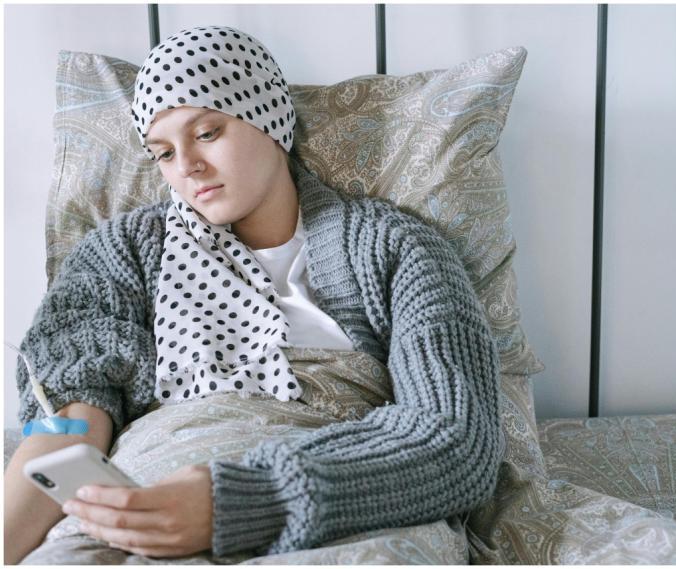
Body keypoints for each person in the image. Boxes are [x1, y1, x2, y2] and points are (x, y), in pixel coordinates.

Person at [4, 25, 504, 563]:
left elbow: (457, 440)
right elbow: (66, 429)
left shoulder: (393, 248)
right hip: (143, 502)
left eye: (208, 132)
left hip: (342, 506)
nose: (186, 167)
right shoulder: (122, 252)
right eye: (163, 153)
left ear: (270, 119)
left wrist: (238, 503)